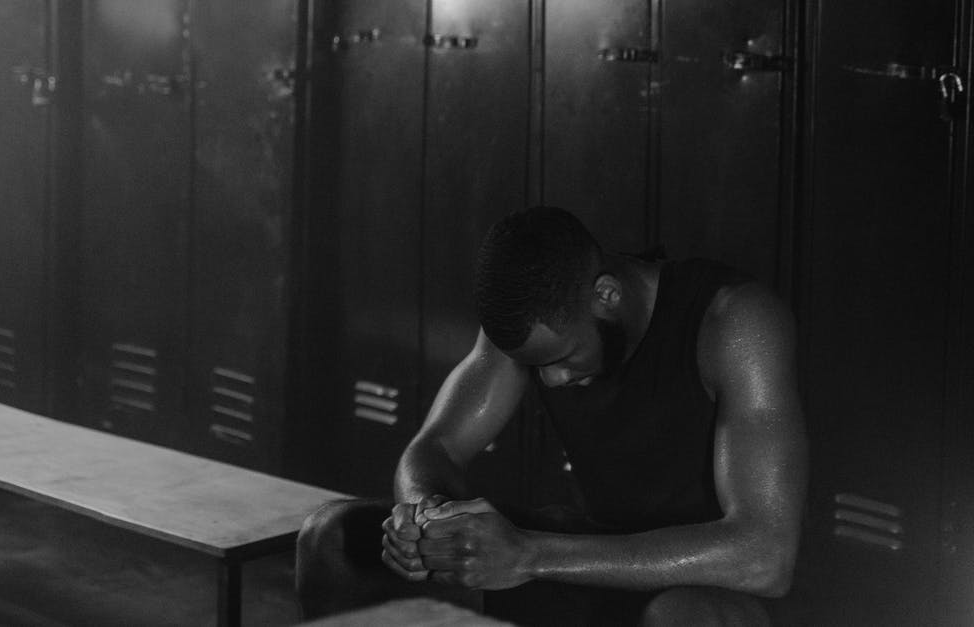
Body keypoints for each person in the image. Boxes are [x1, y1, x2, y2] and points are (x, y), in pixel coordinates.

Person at [297, 206, 808, 626]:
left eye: (563, 359)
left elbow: (764, 556)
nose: (552, 381)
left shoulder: (734, 323)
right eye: (534, 365)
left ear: (606, 296)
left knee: (684, 618)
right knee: (334, 537)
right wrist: (425, 520)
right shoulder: (534, 325)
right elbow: (436, 449)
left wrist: (529, 554)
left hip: (708, 581)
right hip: (583, 553)